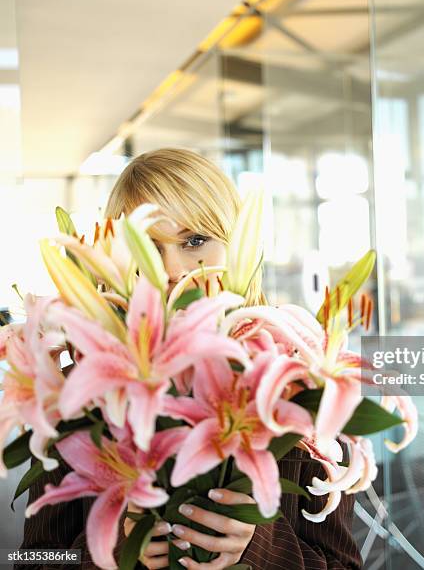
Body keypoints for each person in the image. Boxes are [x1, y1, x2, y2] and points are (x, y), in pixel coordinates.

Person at [17, 148, 362, 570]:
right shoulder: (77, 391)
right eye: (147, 248)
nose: (173, 270)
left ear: (238, 246)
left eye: (195, 241)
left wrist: (256, 550)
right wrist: (110, 553)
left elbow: (345, 565)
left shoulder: (297, 379)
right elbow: (32, 559)